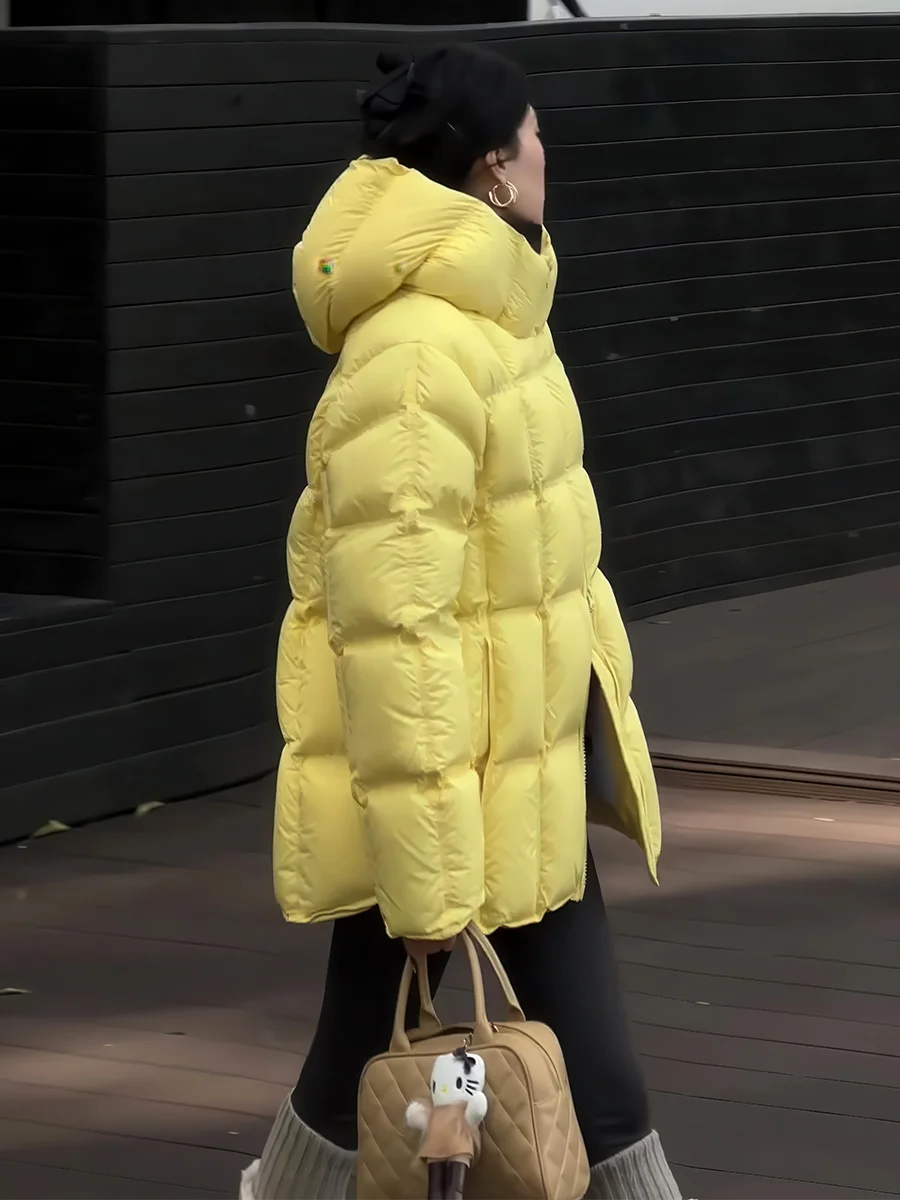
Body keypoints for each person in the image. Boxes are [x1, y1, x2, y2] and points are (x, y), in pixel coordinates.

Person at [242, 43, 680, 1200]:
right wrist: (433, 880)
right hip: (458, 797)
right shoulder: (418, 353)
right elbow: (396, 628)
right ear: (493, 166)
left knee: (375, 1071)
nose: (546, 151)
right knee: (575, 1089)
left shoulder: (497, 315)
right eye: (534, 133)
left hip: (513, 775)